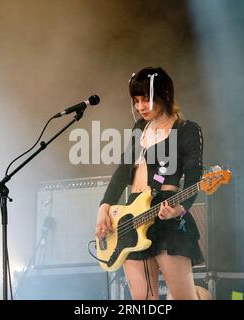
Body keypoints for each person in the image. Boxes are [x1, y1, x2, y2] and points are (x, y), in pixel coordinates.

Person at [95, 67, 204, 300]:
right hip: (131, 217)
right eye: (136, 100)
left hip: (166, 215)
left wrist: (180, 208)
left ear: (164, 94)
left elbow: (195, 179)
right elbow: (123, 171)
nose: (140, 106)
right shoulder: (139, 128)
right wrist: (104, 207)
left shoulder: (187, 130)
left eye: (146, 99)